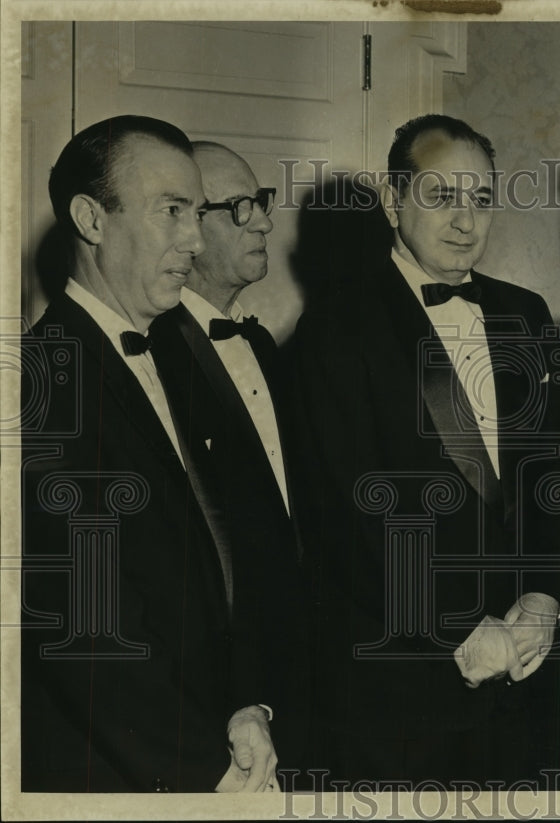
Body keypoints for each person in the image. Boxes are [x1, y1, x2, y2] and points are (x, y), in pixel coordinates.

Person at [290, 114, 560, 785]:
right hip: (402, 682)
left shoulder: (525, 312)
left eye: (480, 200)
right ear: (393, 201)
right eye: (442, 198)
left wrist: (545, 596)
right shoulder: (336, 324)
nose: (465, 222)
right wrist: (458, 629)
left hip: (526, 673)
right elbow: (348, 509)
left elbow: (555, 471)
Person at [21, 116, 277, 792]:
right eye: (171, 212)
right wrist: (203, 768)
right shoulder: (40, 381)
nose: (194, 240)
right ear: (91, 218)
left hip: (218, 735)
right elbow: (88, 634)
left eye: (197, 213)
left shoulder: (179, 356)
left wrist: (248, 707)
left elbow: (226, 556)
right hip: (118, 773)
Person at [148, 141, 310, 773]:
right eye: (240, 208)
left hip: (294, 668)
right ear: (187, 225)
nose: (264, 220)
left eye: (261, 202)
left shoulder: (263, 344)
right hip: (219, 690)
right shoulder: (153, 354)